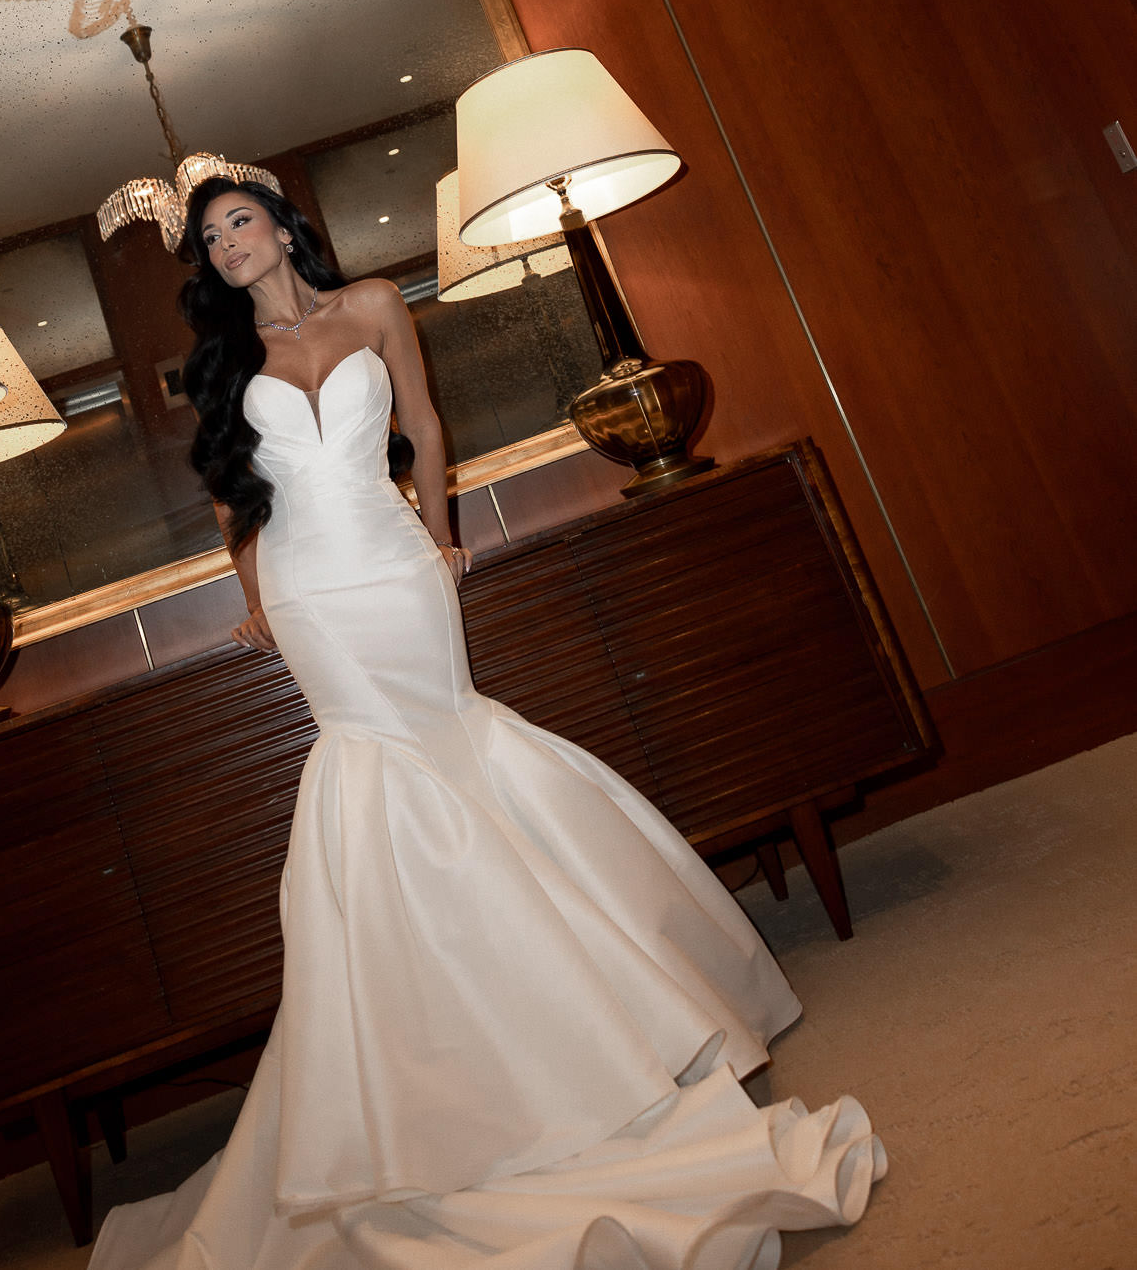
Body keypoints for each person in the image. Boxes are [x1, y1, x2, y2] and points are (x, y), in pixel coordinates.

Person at [89, 177, 884, 1270]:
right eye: (211, 237)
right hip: (311, 592)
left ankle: (584, 1032)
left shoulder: (371, 304)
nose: (229, 245)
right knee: (368, 777)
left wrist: (443, 538)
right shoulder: (222, 364)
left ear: (280, 228)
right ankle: (434, 1075)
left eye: (240, 223)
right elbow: (234, 497)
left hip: (398, 567)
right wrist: (257, 600)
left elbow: (420, 419)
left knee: (464, 756)